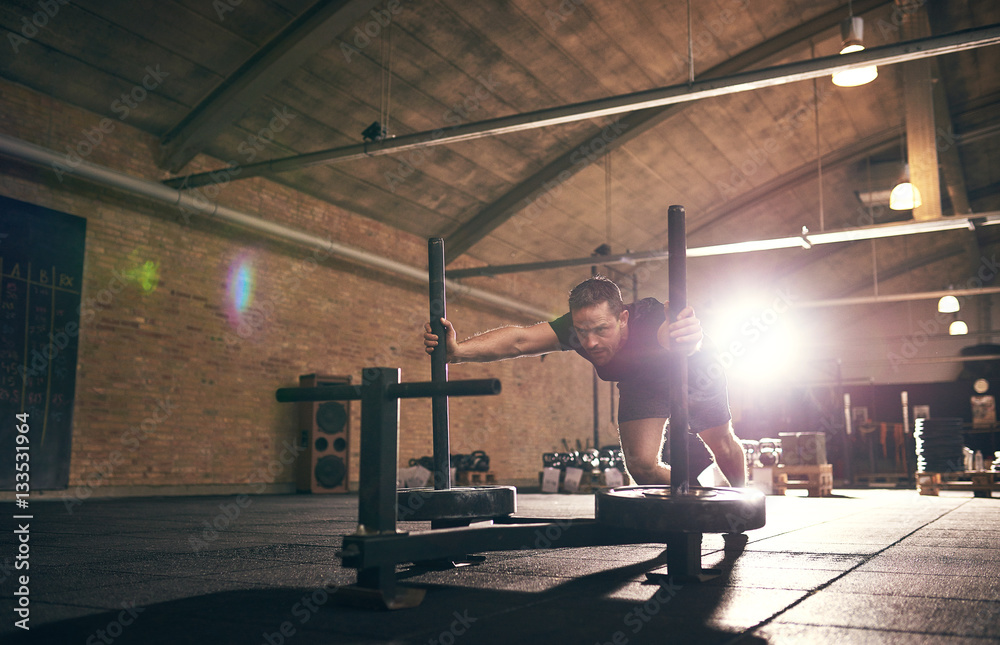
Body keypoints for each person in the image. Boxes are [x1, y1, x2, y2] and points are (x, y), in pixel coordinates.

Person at [423, 275, 746, 487]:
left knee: (722, 444)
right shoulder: (576, 329)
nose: (589, 342)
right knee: (643, 466)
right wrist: (458, 351)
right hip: (642, 380)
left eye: (601, 330)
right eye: (582, 331)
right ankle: (700, 500)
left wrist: (687, 339)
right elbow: (519, 340)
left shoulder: (650, 320)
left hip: (694, 370)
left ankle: (742, 504)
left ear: (623, 319)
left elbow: (674, 339)